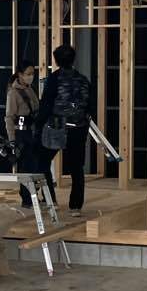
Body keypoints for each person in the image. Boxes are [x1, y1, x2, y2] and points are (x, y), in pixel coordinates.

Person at [36, 43, 93, 216]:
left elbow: (46, 104)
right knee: (76, 167)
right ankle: (75, 207)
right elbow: (90, 105)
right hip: (79, 127)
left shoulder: (54, 79)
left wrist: (38, 126)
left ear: (56, 60)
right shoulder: (83, 80)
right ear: (73, 59)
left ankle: (51, 200)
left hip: (56, 126)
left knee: (43, 161)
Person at [4, 61, 40, 208]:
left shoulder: (31, 89)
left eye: (33, 73)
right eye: (28, 74)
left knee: (34, 166)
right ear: (20, 75)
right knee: (25, 167)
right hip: (21, 134)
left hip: (32, 132)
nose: (31, 76)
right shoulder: (13, 93)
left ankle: (33, 196)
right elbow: (9, 117)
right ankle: (27, 199)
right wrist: (12, 139)